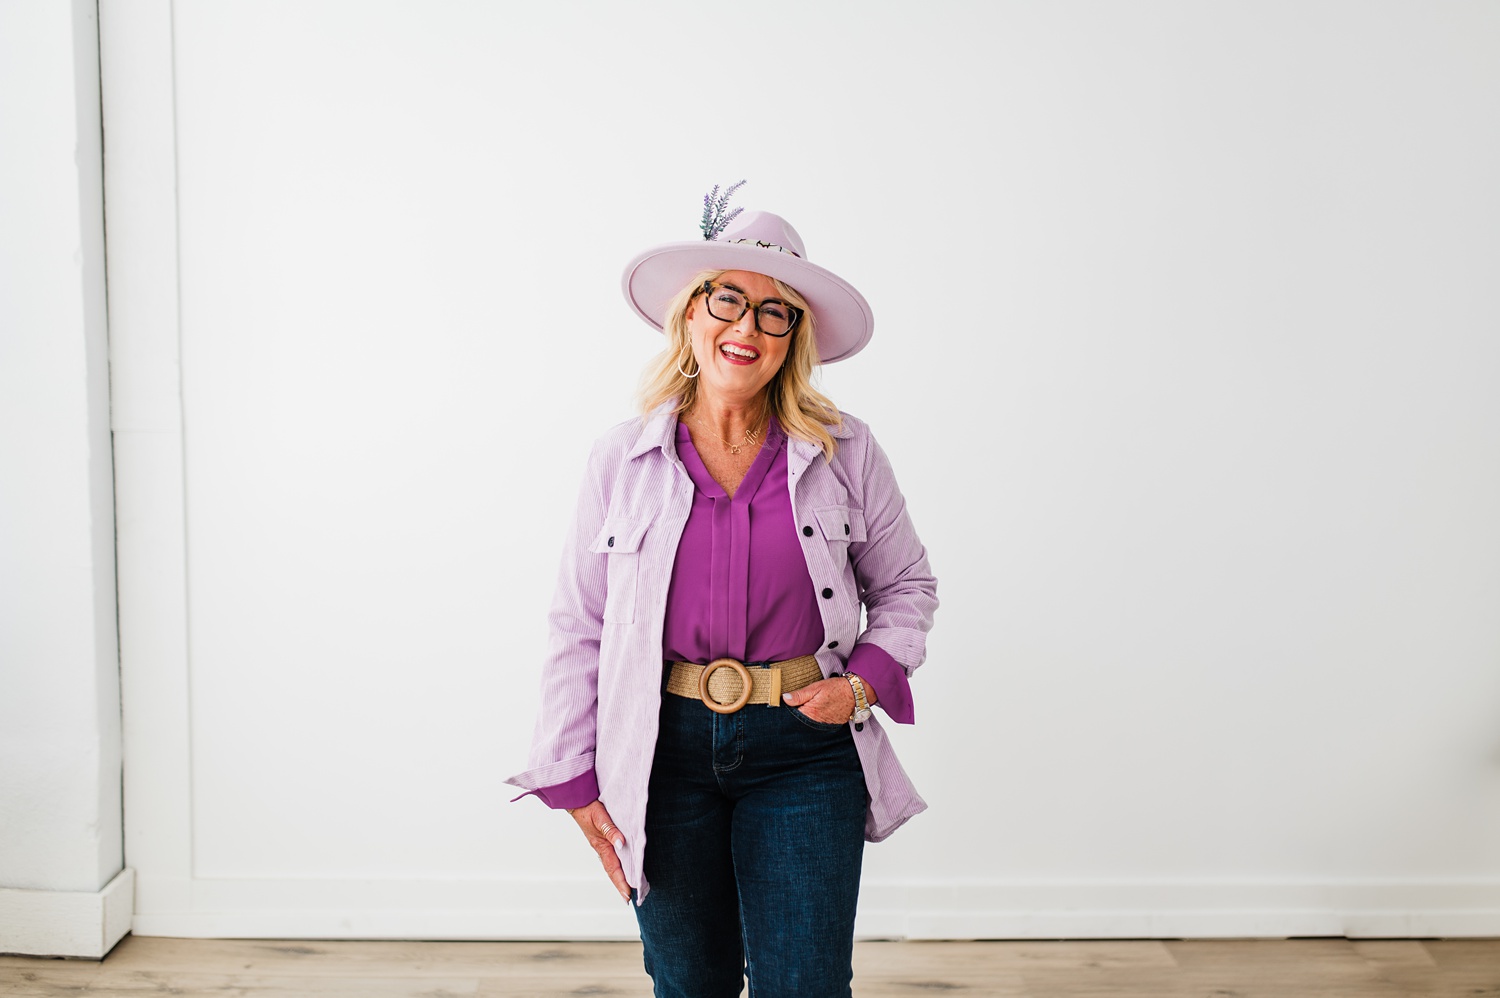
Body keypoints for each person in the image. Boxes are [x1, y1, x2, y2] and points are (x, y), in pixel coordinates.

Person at [506, 198, 938, 998]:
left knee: (805, 986)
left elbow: (907, 584)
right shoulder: (620, 459)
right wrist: (572, 777)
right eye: (728, 299)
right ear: (692, 315)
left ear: (793, 340)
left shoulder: (846, 450)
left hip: (805, 753)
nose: (749, 325)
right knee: (689, 983)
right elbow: (579, 623)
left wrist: (862, 682)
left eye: (776, 312)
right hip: (659, 752)